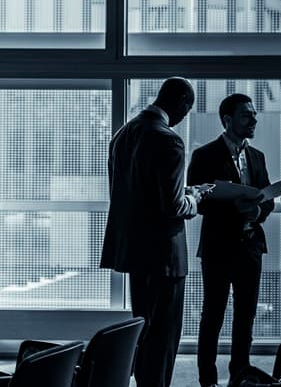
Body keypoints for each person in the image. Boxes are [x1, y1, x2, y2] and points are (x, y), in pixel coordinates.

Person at [101, 77, 207, 387]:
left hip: (134, 250)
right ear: (182, 103)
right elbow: (174, 207)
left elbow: (134, 192)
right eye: (187, 110)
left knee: (144, 329)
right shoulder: (168, 139)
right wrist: (195, 198)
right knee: (164, 335)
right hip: (165, 255)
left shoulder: (123, 134)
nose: (185, 116)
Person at [189, 93, 275, 387]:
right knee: (212, 314)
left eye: (253, 114)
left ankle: (240, 375)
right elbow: (198, 201)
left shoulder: (257, 156)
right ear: (227, 120)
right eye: (246, 115)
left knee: (246, 316)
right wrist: (234, 206)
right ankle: (207, 380)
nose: (254, 119)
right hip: (218, 245)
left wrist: (258, 210)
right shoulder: (204, 156)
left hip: (251, 245)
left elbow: (268, 199)